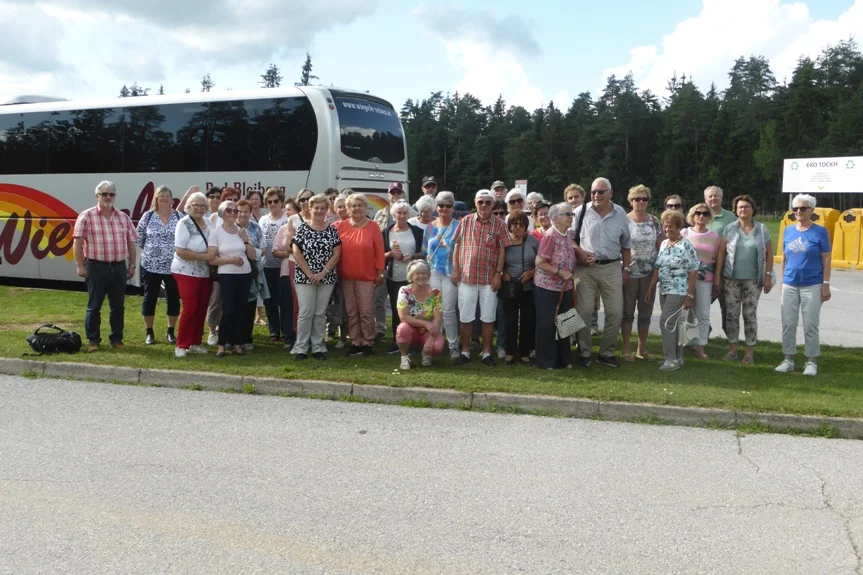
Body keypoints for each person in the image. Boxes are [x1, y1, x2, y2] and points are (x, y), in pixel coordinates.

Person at [572, 177, 632, 368]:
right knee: (583, 311)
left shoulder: (620, 213)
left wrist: (626, 269)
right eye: (593, 192)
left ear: (610, 193)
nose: (596, 195)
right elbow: (569, 239)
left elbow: (626, 245)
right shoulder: (580, 211)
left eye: (600, 192)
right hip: (585, 268)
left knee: (615, 312)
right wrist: (580, 253)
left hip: (612, 267)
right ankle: (584, 352)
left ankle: (606, 353)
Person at [73, 180, 138, 352]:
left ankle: (116, 339)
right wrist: (80, 265)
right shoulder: (86, 216)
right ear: (97, 196)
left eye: (111, 194)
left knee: (118, 307)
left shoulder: (123, 217)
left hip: (119, 267)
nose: (108, 197)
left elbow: (131, 243)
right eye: (104, 194)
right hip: (96, 267)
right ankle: (93, 341)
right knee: (94, 306)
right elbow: (77, 243)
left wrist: (132, 265)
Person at [451, 190, 511, 366]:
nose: (484, 205)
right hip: (467, 277)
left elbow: (502, 250)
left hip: (489, 279)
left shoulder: (500, 224)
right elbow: (457, 246)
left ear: (492, 204)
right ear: (475, 203)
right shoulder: (465, 221)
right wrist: (455, 270)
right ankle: (465, 351)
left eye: (488, 202)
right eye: (480, 202)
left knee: (488, 318)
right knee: (465, 318)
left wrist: (498, 274)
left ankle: (486, 353)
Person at [775, 194, 831, 377]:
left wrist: (826, 284)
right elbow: (784, 258)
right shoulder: (788, 231)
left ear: (811, 210)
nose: (798, 211)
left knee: (810, 324)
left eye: (803, 208)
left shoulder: (820, 232)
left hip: (812, 284)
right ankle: (788, 359)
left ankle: (811, 361)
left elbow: (826, 259)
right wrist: (783, 281)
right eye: (795, 208)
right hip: (790, 283)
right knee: (788, 323)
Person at [720, 195, 773, 364]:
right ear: (735, 210)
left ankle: (749, 352)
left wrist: (768, 276)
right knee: (731, 315)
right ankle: (732, 350)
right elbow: (721, 253)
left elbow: (769, 254)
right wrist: (717, 276)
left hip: (753, 281)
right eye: (740, 207)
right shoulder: (729, 229)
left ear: (753, 209)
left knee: (749, 315)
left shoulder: (762, 229)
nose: (743, 209)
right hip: (731, 279)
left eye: (746, 206)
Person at [646, 210, 699, 371]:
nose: (667, 229)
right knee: (673, 324)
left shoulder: (686, 245)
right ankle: (677, 357)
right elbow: (657, 268)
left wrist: (690, 296)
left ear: (678, 227)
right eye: (665, 226)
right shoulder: (664, 243)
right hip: (664, 289)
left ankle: (671, 360)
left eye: (670, 226)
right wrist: (651, 288)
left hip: (679, 290)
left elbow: (693, 272)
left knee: (666, 322)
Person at [292, 194, 342, 360]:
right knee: (306, 312)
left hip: (326, 277)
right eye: (316, 208)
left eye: (322, 208)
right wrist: (310, 274)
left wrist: (322, 273)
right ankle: (301, 347)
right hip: (304, 277)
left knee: (320, 313)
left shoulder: (332, 229)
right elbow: (296, 252)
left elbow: (336, 254)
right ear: (310, 209)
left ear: (326, 210)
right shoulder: (303, 228)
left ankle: (317, 347)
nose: (319, 211)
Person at [335, 193, 385, 356]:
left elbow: (380, 252)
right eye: (353, 206)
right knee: (351, 311)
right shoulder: (340, 227)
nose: (356, 208)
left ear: (365, 207)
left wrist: (380, 273)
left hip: (366, 276)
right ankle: (356, 341)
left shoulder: (373, 226)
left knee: (366, 311)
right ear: (348, 209)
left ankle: (368, 342)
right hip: (346, 276)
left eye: (360, 205)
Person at [533, 203, 578, 370]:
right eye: (567, 214)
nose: (571, 217)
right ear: (556, 218)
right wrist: (560, 272)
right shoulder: (550, 235)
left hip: (566, 286)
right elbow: (539, 262)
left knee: (566, 322)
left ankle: (565, 359)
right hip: (547, 287)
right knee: (547, 324)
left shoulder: (569, 234)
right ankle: (547, 360)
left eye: (572, 214)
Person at [207, 200, 255, 357]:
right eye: (230, 210)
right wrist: (231, 260)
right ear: (222, 213)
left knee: (241, 309)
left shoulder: (241, 231)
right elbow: (211, 260)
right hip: (227, 274)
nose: (234, 213)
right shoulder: (216, 233)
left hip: (245, 273)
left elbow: (252, 256)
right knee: (228, 310)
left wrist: (246, 240)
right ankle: (221, 345)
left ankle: (237, 344)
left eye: (236, 211)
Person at [136, 184, 182, 345]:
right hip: (150, 265)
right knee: (149, 298)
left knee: (173, 299)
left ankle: (170, 331)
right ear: (156, 198)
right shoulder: (148, 216)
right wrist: (154, 251)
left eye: (167, 196)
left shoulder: (179, 216)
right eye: (161, 195)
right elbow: (139, 238)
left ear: (172, 199)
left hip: (174, 266)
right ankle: (149, 332)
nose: (164, 198)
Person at [621, 185, 661, 362]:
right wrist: (624, 269)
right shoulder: (624, 220)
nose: (641, 202)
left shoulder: (654, 221)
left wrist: (657, 272)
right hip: (629, 273)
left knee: (645, 314)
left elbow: (659, 246)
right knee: (627, 313)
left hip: (648, 274)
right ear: (631, 201)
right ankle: (626, 349)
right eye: (637, 199)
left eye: (645, 199)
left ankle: (642, 348)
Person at [171, 191, 213, 357]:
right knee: (190, 308)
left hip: (205, 272)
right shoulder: (184, 223)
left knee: (202, 307)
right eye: (196, 205)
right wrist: (205, 257)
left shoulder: (209, 223)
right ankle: (181, 345)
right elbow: (180, 251)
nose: (199, 208)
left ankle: (195, 342)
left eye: (203, 206)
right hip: (186, 271)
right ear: (189, 206)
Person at [680, 203, 724, 359]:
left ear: (709, 217)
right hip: (685, 279)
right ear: (692, 215)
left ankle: (701, 345)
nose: (701, 216)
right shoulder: (684, 233)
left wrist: (717, 277)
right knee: (685, 312)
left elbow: (718, 258)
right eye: (698, 213)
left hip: (706, 279)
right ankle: (686, 342)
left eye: (705, 214)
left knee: (703, 314)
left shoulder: (714, 236)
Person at [422, 191, 461, 360]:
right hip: (433, 274)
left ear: (453, 208)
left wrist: (457, 271)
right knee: (433, 311)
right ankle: (433, 344)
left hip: (451, 273)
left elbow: (462, 251)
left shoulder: (458, 226)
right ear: (436, 207)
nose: (444, 208)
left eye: (448, 205)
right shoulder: (429, 227)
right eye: (441, 205)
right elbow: (425, 251)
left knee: (449, 311)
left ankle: (453, 346)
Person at [383, 200, 424, 353]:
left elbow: (424, 253)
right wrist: (390, 254)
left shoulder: (417, 231)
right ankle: (397, 340)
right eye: (398, 213)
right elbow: (380, 254)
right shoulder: (386, 232)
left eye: (404, 213)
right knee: (397, 309)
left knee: (414, 309)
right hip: (394, 276)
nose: (401, 216)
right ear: (393, 214)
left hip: (414, 277)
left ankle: (414, 341)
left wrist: (413, 255)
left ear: (409, 214)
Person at [500, 212, 539, 366]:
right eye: (514, 224)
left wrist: (532, 272)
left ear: (526, 226)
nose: (517, 227)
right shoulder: (504, 242)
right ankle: (510, 352)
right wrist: (503, 273)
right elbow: (497, 261)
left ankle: (524, 353)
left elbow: (543, 261)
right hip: (509, 287)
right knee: (510, 321)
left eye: (521, 224)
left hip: (528, 287)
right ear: (509, 226)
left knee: (526, 321)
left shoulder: (533, 241)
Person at [205, 186, 241, 345]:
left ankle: (226, 331)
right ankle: (212, 332)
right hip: (218, 266)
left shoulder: (238, 219)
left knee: (229, 303)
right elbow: (211, 242)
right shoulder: (214, 218)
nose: (232, 203)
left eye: (235, 200)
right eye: (229, 199)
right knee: (215, 300)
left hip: (235, 269)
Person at [373, 182, 408, 340]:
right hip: (383, 261)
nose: (395, 196)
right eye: (392, 193)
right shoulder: (380, 214)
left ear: (403, 195)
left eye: (398, 192)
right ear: (388, 195)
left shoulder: (409, 213)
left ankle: (404, 329)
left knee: (401, 300)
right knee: (378, 298)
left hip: (404, 264)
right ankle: (380, 328)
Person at [395, 260, 444, 370]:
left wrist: (432, 338)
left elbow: (438, 319)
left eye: (424, 273)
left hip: (429, 331)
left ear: (429, 275)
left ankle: (426, 355)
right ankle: (404, 357)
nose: (421, 276)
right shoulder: (404, 291)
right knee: (402, 329)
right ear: (411, 275)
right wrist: (425, 323)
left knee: (437, 347)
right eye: (417, 273)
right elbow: (403, 316)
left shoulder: (436, 293)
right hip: (411, 329)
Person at [258, 187, 290, 342]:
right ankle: (274, 331)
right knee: (269, 300)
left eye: (276, 201)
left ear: (282, 202)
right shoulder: (262, 220)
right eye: (269, 202)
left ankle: (286, 330)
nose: (272, 204)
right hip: (266, 266)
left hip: (283, 266)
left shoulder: (287, 219)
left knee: (284, 300)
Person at [235, 200, 267, 351]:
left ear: (250, 212)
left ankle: (247, 339)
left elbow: (263, 249)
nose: (242, 214)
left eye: (245, 211)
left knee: (249, 305)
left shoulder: (255, 227)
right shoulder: (230, 227)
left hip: (251, 271)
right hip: (232, 271)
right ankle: (232, 338)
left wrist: (251, 251)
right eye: (239, 211)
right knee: (234, 307)